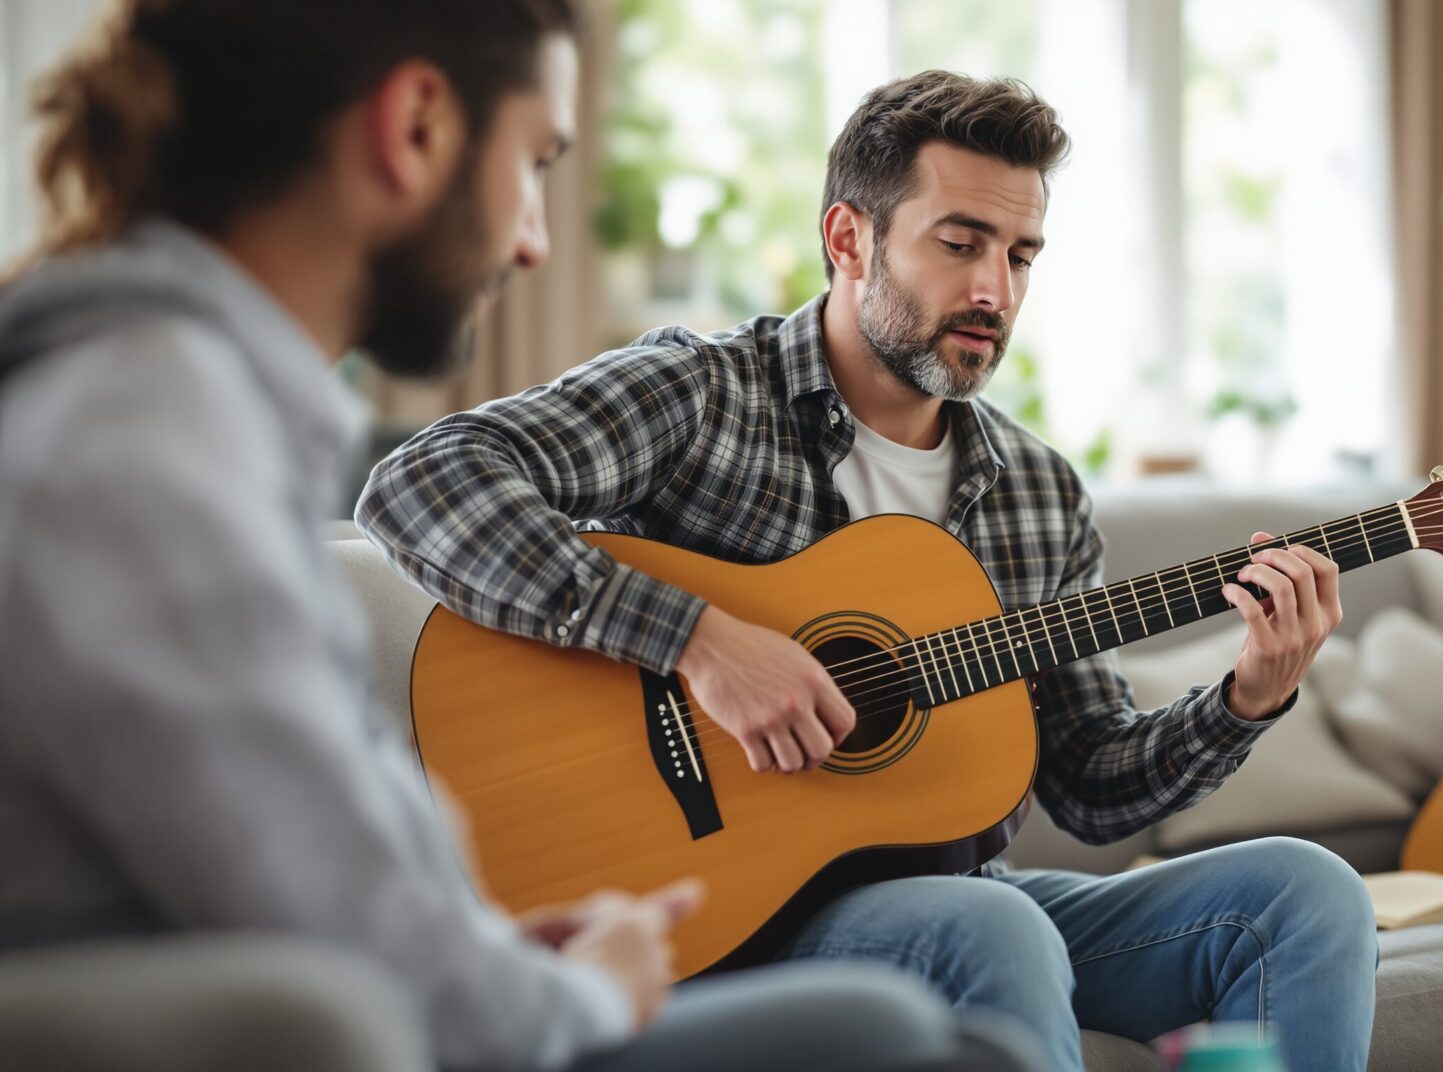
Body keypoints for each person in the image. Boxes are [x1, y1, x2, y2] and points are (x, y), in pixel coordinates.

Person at [0, 4, 1037, 1070]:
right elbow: (373, 959)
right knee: (905, 1036)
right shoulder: (140, 446)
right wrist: (586, 984)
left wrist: (496, 943)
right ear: (414, 130)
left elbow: (324, 881)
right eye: (536, 162)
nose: (534, 241)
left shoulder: (167, 411)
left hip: (401, 992)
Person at [357, 69, 1379, 1072]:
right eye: (960, 242)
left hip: (954, 900)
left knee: (1306, 891)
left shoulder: (1038, 490)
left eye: (1022, 254)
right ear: (849, 239)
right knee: (990, 926)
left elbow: (1091, 784)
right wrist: (698, 640)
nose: (995, 289)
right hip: (721, 910)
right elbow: (422, 484)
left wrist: (1248, 699)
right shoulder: (703, 394)